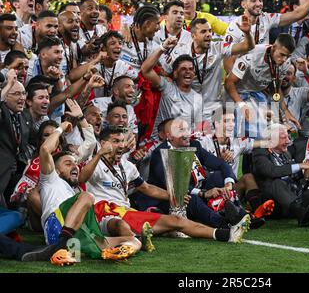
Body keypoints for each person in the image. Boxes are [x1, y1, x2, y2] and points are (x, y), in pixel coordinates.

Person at [80, 125, 250, 243]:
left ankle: (226, 235)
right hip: (104, 213)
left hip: (127, 212)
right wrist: (97, 155)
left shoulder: (128, 166)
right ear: (103, 144)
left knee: (176, 220)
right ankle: (132, 240)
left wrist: (174, 196)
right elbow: (82, 179)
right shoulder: (95, 163)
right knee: (120, 225)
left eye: (122, 141)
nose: (121, 145)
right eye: (115, 141)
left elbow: (147, 188)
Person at [39, 121, 143, 260]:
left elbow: (90, 144)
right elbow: (45, 149)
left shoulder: (74, 191)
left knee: (133, 240)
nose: (75, 167)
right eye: (68, 164)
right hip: (57, 226)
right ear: (56, 171)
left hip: (78, 233)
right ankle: (61, 244)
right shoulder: (50, 179)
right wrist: (62, 127)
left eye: (75, 163)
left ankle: (112, 253)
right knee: (87, 196)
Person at [151, 17, 254, 122]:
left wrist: (247, 33)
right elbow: (164, 71)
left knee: (214, 137)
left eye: (210, 31)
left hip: (213, 107)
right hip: (187, 107)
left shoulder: (218, 47)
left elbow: (248, 46)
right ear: (193, 36)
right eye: (203, 31)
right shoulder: (179, 52)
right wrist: (167, 77)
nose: (209, 34)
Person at [225, 33, 299, 138]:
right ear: (273, 47)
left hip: (256, 95)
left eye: (288, 56)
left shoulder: (285, 64)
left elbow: (276, 89)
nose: (284, 59)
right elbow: (229, 82)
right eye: (282, 54)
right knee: (234, 134)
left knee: (261, 135)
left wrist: (286, 111)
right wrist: (241, 105)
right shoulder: (252, 55)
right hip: (236, 94)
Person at [0, 74, 30, 208]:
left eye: (24, 93)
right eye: (17, 94)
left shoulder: (23, 115)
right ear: (5, 96)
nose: (22, 98)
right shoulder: (3, 112)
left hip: (17, 169)